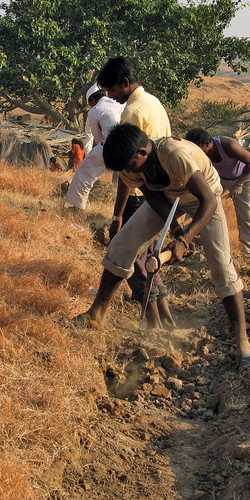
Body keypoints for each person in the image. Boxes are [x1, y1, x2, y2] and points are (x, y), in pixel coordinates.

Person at [72, 123, 250, 371]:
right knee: (121, 245)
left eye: (129, 166)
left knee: (221, 266)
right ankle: (96, 314)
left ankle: (243, 343)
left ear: (142, 152)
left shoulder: (174, 154)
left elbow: (208, 201)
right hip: (167, 197)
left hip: (205, 196)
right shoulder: (129, 166)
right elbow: (150, 193)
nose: (127, 172)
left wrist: (185, 240)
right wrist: (174, 228)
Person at [98, 57, 175, 330]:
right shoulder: (153, 102)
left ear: (125, 83)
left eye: (112, 90)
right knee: (149, 259)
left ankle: (152, 325)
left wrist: (117, 214)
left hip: (139, 194)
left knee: (133, 260)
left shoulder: (131, 113)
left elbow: (126, 171)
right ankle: (165, 318)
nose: (111, 97)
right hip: (159, 189)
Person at [184, 127, 250, 265]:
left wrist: (239, 184)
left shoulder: (228, 145)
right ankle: (188, 241)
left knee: (246, 216)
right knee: (198, 204)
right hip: (220, 179)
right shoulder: (202, 155)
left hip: (243, 177)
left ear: (207, 144)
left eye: (197, 148)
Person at [65, 83, 124, 210]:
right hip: (128, 144)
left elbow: (97, 138)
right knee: (123, 177)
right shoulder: (119, 103)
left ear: (92, 99)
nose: (90, 106)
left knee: (84, 173)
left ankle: (77, 207)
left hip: (110, 145)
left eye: (89, 103)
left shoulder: (94, 111)